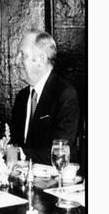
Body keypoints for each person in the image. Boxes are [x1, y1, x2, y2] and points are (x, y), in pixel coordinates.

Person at [9, 29, 80, 165]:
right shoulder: (22, 97)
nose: (16, 61)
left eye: (22, 55)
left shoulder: (64, 94)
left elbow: (60, 150)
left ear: (41, 59)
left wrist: (20, 154)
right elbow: (13, 142)